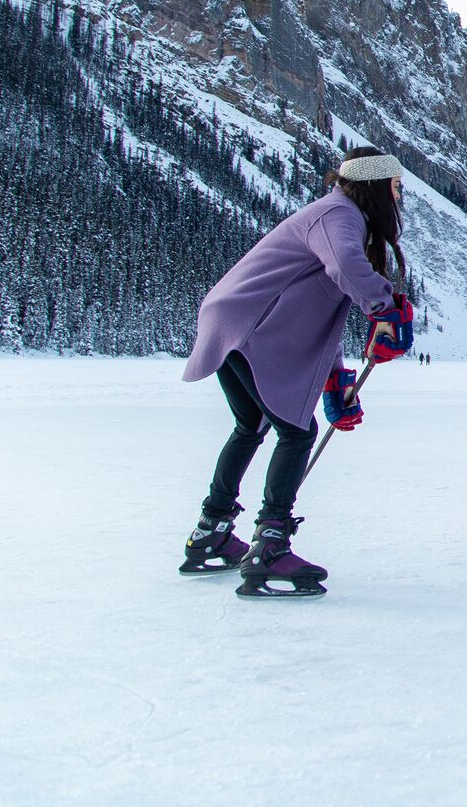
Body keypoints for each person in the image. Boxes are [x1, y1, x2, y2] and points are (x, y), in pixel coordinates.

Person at [177, 147, 415, 598]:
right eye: (397, 188)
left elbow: (320, 312)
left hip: (232, 320)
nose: (400, 198)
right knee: (297, 432)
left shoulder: (335, 215)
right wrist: (386, 307)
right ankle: (270, 546)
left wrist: (335, 379)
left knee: (250, 426)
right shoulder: (338, 215)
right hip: (250, 325)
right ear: (375, 185)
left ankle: (211, 530)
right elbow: (347, 268)